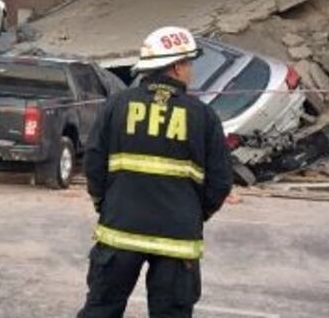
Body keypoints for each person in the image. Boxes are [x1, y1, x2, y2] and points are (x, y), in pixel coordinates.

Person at [76, 26, 233, 318]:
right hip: (178, 237)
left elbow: (94, 164)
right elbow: (220, 182)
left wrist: (105, 204)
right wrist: (195, 213)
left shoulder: (116, 105)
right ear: (175, 67)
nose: (191, 72)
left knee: (101, 310)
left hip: (119, 229)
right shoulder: (203, 116)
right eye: (189, 64)